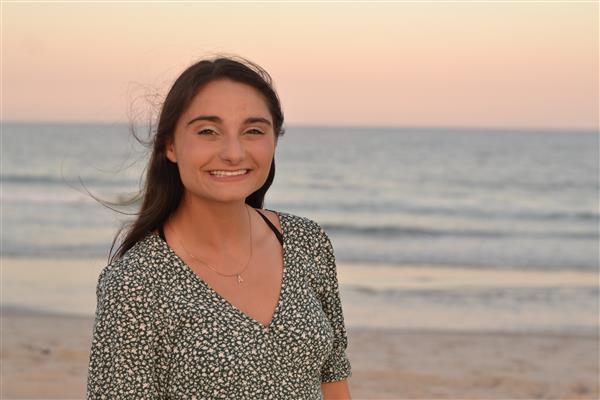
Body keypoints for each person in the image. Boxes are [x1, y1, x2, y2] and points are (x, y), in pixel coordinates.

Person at [86, 55, 352, 399]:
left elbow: (334, 379)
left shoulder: (307, 242)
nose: (233, 152)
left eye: (253, 131)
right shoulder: (135, 285)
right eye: (208, 131)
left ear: (274, 139)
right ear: (170, 145)